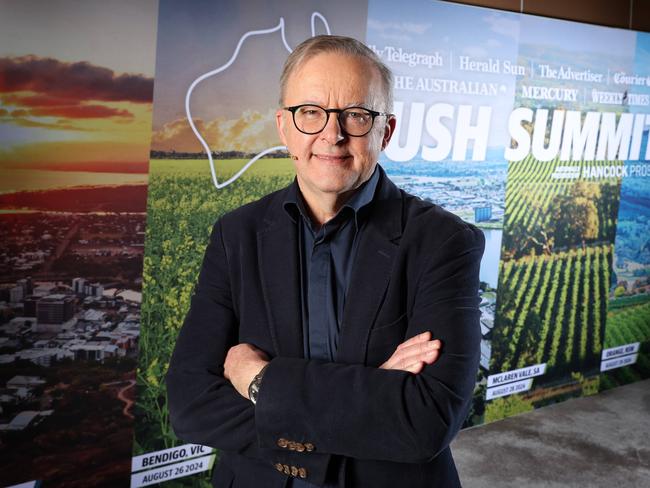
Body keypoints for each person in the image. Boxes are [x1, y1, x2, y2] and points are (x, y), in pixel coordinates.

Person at [166, 35, 484, 488]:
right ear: (284, 127)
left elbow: (424, 420)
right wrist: (368, 397)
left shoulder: (445, 242)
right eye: (310, 112)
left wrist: (260, 381)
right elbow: (190, 403)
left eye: (355, 115)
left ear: (385, 131)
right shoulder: (236, 235)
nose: (331, 135)